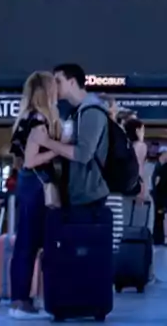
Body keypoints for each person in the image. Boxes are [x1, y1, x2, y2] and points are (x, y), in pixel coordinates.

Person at [7, 73, 62, 319]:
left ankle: (19, 299)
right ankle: (22, 302)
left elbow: (20, 160)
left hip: (26, 185)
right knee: (32, 245)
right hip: (39, 185)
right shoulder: (39, 120)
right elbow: (31, 160)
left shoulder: (23, 119)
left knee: (24, 244)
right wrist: (57, 149)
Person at [39, 64, 110, 218]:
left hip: (88, 197)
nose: (54, 86)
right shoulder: (76, 112)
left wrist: (47, 142)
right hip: (78, 195)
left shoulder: (92, 111)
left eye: (58, 81)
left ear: (72, 82)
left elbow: (83, 154)